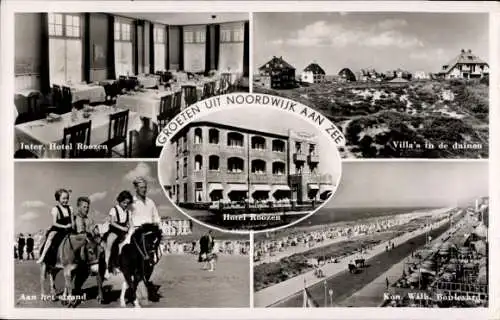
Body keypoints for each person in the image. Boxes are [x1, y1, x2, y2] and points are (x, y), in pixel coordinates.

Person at [119, 177, 161, 261]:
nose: (144, 189)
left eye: (145, 187)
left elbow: (156, 216)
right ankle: (118, 264)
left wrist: (156, 223)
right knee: (123, 246)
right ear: (136, 188)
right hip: (136, 230)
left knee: (158, 252)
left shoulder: (150, 202)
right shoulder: (131, 202)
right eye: (141, 187)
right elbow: (125, 215)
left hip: (149, 231)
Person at [37, 189, 73, 264]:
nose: (66, 200)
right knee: (50, 236)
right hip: (58, 229)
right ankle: (43, 256)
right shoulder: (55, 209)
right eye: (63, 198)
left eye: (67, 198)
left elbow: (72, 221)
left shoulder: (70, 208)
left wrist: (71, 226)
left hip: (69, 229)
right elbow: (54, 223)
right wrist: (65, 226)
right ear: (58, 198)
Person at [104, 190, 133, 279]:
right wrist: (122, 228)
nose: (125, 205)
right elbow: (112, 222)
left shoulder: (128, 212)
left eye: (127, 203)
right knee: (109, 245)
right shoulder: (114, 209)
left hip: (124, 232)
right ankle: (106, 268)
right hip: (114, 231)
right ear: (120, 201)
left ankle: (121, 264)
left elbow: (131, 223)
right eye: (124, 202)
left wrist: (131, 230)